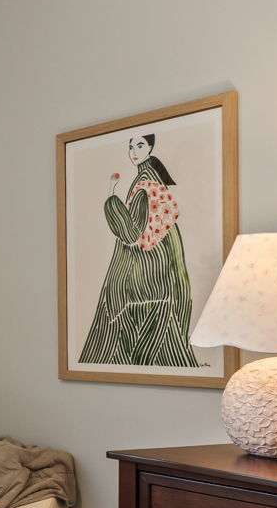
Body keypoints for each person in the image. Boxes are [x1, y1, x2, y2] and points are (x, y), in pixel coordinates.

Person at [78, 133, 204, 368]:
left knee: (124, 324)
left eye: (139, 145)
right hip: (163, 271)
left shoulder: (144, 183)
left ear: (150, 148)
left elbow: (130, 233)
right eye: (130, 146)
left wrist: (110, 197)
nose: (133, 151)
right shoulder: (152, 178)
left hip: (145, 274)